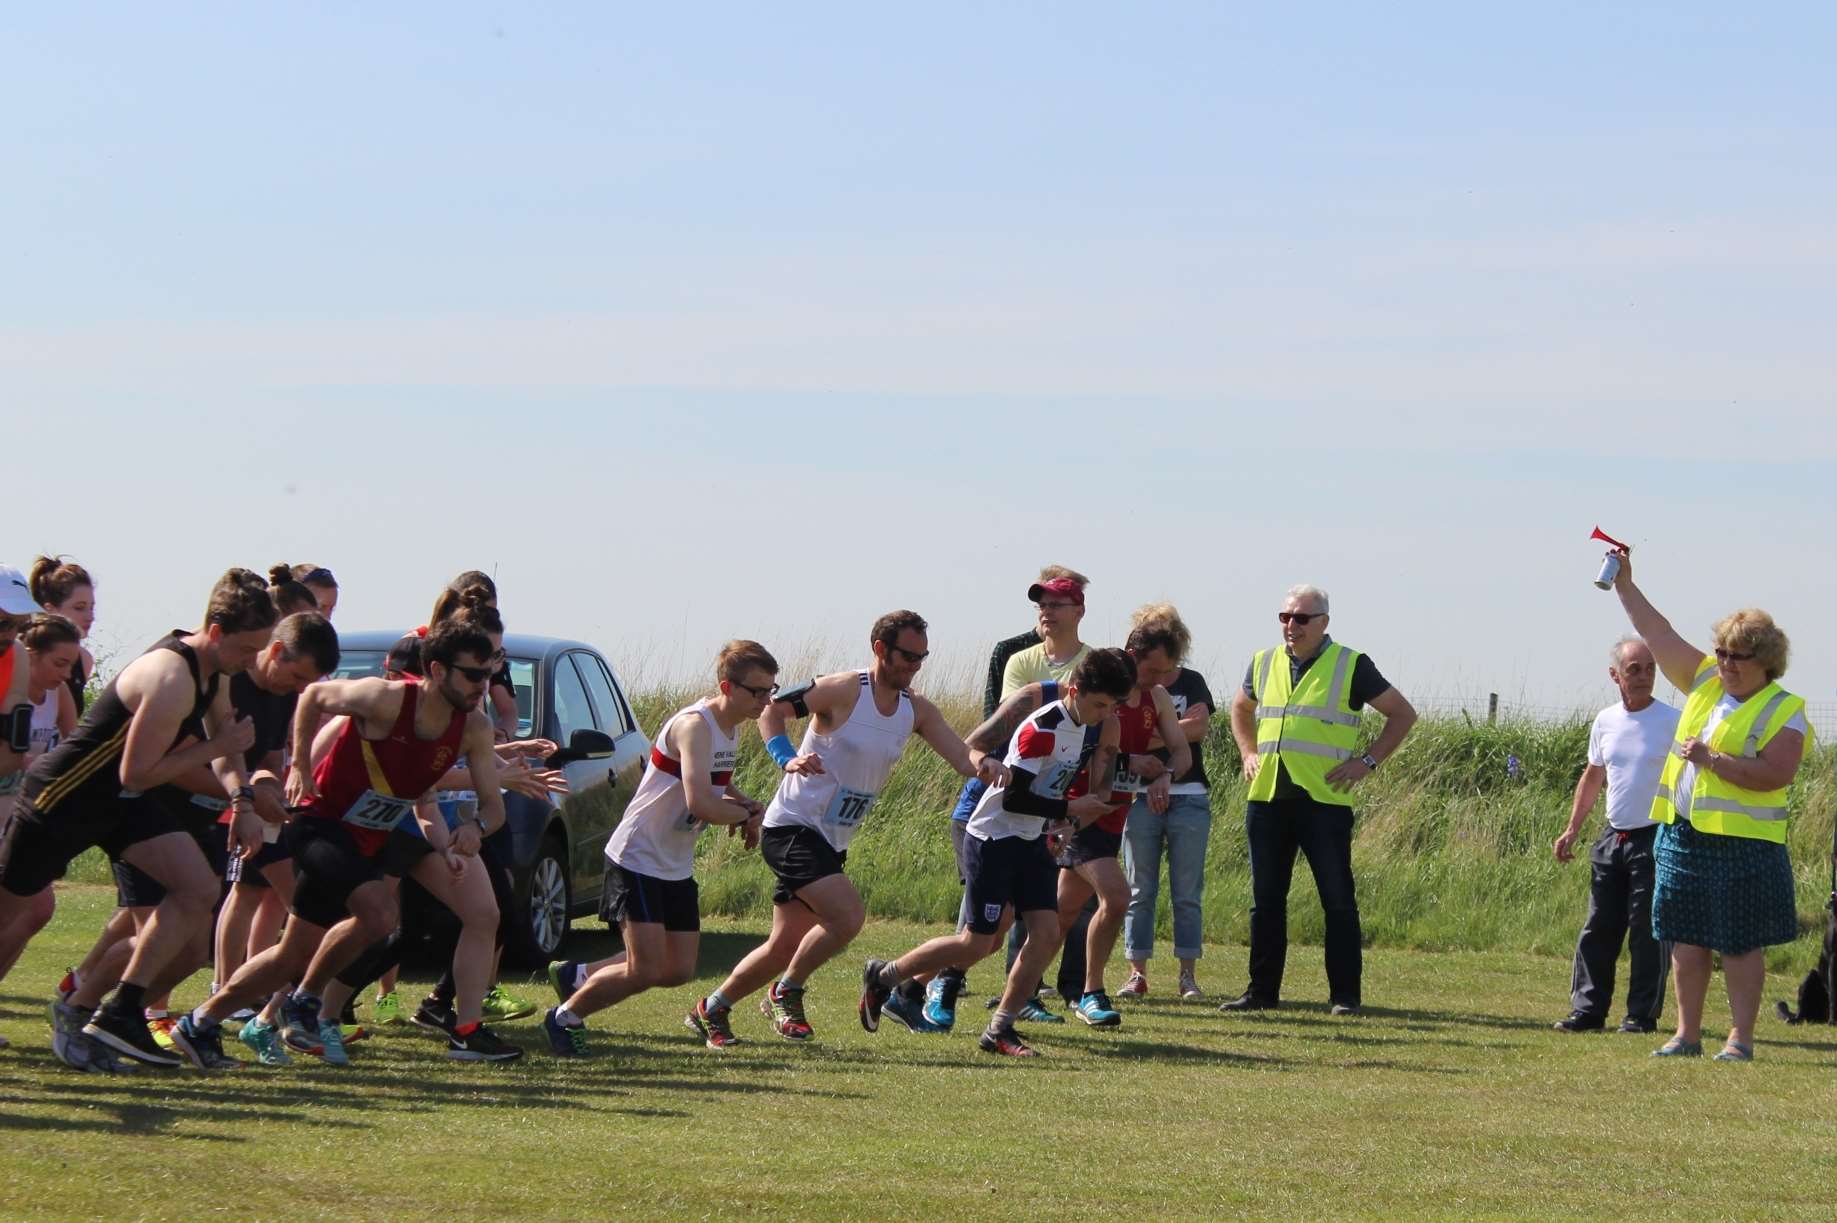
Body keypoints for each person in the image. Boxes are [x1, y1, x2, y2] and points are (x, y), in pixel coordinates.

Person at [175, 617, 522, 1066]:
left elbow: (491, 806)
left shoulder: (473, 728)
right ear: (437, 670)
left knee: (290, 954)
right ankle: (306, 1001)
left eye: (489, 675)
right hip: (319, 823)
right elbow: (315, 696)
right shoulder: (384, 698)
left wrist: (471, 831)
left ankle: (199, 1023)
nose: (482, 685)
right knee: (380, 914)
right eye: (473, 674)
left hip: (365, 839)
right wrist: (299, 764)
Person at [687, 610, 1006, 1049]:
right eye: (907, 656)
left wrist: (983, 765)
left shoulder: (915, 710)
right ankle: (787, 991)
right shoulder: (842, 689)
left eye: (922, 658)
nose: (914, 666)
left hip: (832, 837)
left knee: (782, 947)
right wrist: (786, 758)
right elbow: (773, 713)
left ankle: (713, 1008)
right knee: (848, 916)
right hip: (792, 826)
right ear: (880, 649)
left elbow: (959, 753)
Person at [0, 569, 274, 1070]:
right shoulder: (170, 676)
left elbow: (226, 740)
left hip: (119, 802)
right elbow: (142, 770)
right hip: (64, 797)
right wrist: (218, 749)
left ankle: (117, 1013)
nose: (251, 661)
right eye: (247, 649)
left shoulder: (217, 672)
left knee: (197, 890)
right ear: (216, 632)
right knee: (9, 913)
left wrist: (243, 802)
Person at [863, 648, 1136, 1057]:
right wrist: (1068, 810)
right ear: (1075, 690)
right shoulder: (1041, 728)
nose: (1104, 714)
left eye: (1111, 707)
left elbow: (1048, 790)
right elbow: (1015, 799)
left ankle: (1000, 1029)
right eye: (1099, 704)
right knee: (976, 943)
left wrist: (1061, 825)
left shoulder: (1081, 723)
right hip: (994, 840)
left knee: (1045, 934)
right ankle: (886, 976)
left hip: (1031, 842)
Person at [1608, 547, 1808, 1061]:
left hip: (1745, 845)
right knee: (1685, 938)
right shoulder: (1702, 681)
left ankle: (1740, 1039)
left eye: (1737, 657)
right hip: (1684, 836)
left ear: (1766, 662)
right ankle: (1686, 1034)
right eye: (1721, 653)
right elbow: (1659, 633)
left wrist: (1712, 760)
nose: (1725, 664)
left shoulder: (1785, 710)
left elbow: (1775, 774)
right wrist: (1627, 584)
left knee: (1740, 943)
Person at [541, 641, 773, 1056]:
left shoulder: (731, 726)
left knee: (677, 969)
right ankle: (565, 1017)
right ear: (727, 686)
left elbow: (715, 783)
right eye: (758, 691)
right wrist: (744, 816)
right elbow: (699, 803)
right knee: (645, 967)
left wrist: (746, 804)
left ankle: (581, 974)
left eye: (771, 690)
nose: (766, 700)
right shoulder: (695, 726)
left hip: (674, 863)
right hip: (638, 857)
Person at [1225, 584, 1417, 1016]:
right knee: (1266, 900)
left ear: (1323, 623)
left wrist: (1367, 761)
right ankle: (1262, 993)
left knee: (1338, 900)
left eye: (1301, 619)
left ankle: (1344, 996)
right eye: (1285, 617)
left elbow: (1402, 714)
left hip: (1324, 801)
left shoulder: (1351, 664)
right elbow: (1240, 708)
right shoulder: (1263, 661)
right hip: (1269, 796)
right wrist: (1248, 752)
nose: (1290, 626)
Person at [1550, 637, 1680, 1035]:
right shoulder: (1605, 721)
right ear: (1615, 675)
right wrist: (1572, 828)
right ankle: (1588, 1011)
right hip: (1613, 837)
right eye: (1633, 669)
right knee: (1598, 926)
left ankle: (1641, 1016)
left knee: (1646, 929)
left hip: (1655, 836)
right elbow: (1593, 776)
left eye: (1649, 668)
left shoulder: (1673, 721)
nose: (1643, 677)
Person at [1118, 604, 1217, 1000]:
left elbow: (1200, 729)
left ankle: (1187, 976)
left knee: (1187, 892)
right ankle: (1136, 973)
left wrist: (1158, 738)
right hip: (1137, 795)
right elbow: (1132, 740)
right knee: (1139, 889)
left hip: (1189, 795)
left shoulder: (1192, 681)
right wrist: (1173, 733)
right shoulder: (1124, 682)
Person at [30, 557, 97, 713]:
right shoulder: (23, 654)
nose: (90, 617)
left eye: (91, 608)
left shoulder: (84, 660)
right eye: (79, 608)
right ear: (50, 610)